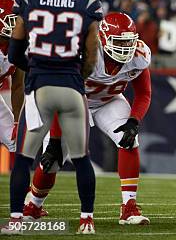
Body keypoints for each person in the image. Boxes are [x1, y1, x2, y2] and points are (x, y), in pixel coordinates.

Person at [3, 0, 102, 235]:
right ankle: (86, 221)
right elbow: (91, 55)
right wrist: (74, 76)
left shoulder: (27, 0)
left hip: (39, 89)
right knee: (82, 158)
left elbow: (14, 53)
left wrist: (36, 69)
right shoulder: (88, 6)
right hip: (71, 88)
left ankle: (16, 220)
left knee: (23, 158)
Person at [23, 12, 152, 225]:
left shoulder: (138, 55)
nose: (125, 47)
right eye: (119, 41)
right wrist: (55, 141)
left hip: (107, 101)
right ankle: (34, 204)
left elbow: (144, 94)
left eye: (129, 41)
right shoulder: (82, 52)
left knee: (130, 140)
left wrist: (133, 121)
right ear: (102, 38)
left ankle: (128, 208)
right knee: (53, 160)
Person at [0, 0, 25, 162]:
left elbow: (17, 86)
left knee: (16, 140)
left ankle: (21, 186)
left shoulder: (18, 47)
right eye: (12, 20)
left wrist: (16, 121)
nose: (16, 24)